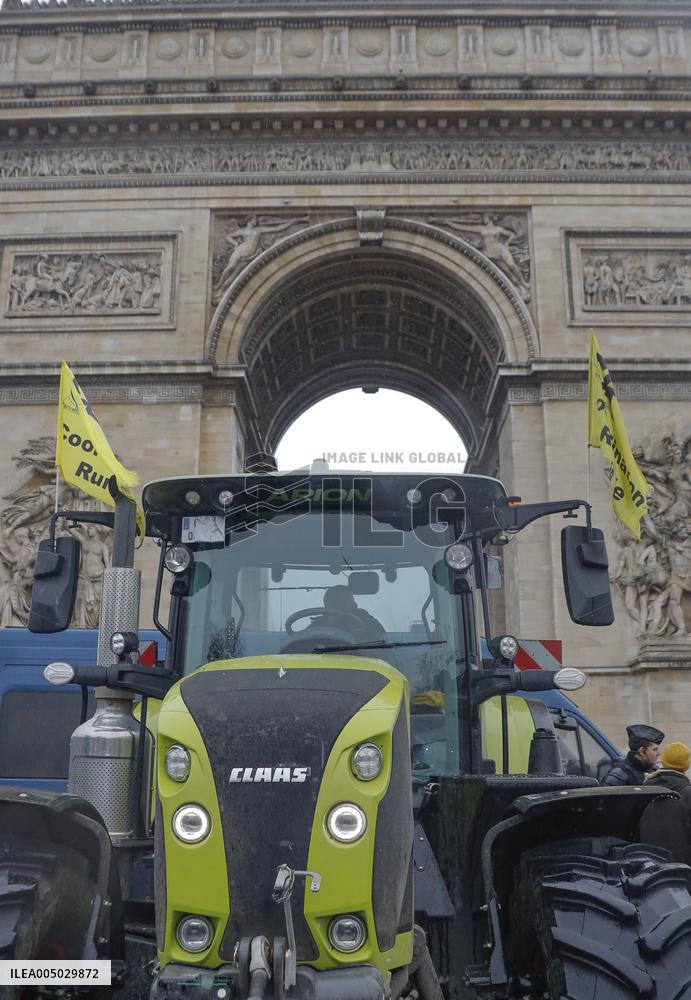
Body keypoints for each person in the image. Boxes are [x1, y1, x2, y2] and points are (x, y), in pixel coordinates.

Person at [639, 742, 691, 865]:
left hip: (647, 867)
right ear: (686, 765)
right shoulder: (688, 793)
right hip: (681, 870)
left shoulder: (643, 789)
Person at [319, 585, 386, 644]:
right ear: (326, 609)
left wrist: (362, 635)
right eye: (333, 606)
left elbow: (382, 639)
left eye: (342, 605)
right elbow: (309, 640)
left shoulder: (364, 619)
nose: (336, 610)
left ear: (354, 606)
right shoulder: (319, 624)